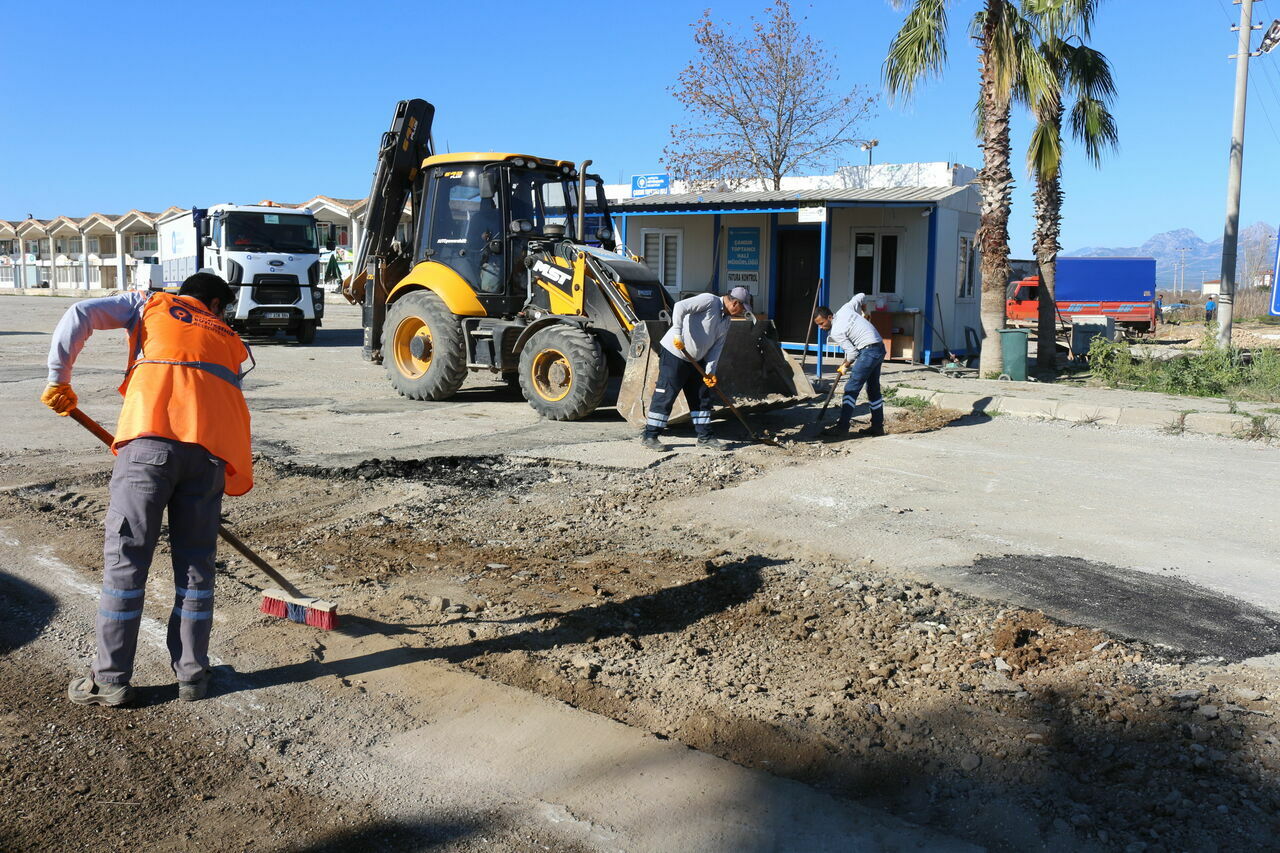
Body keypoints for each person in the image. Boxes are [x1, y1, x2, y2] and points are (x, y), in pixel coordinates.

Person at [42, 272, 254, 707]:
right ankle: (193, 677)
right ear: (214, 303)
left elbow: (80, 313)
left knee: (127, 562)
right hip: (210, 457)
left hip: (150, 446)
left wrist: (58, 378)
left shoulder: (149, 303)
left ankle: (109, 680)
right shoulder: (231, 339)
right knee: (196, 568)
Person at [640, 286, 750, 451]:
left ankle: (705, 437)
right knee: (666, 394)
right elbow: (680, 307)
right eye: (742, 308)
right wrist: (677, 333)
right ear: (735, 303)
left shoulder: (726, 321)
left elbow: (717, 347)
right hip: (674, 353)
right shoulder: (709, 300)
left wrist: (710, 372)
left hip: (696, 360)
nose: (742, 312)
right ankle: (650, 435)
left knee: (701, 397)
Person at [813, 293, 886, 438]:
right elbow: (860, 295)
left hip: (868, 352)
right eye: (818, 325)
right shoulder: (845, 309)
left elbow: (852, 354)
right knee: (873, 389)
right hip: (879, 347)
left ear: (829, 317)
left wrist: (845, 365)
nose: (821, 328)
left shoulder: (836, 331)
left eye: (822, 324)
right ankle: (877, 427)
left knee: (851, 388)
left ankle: (842, 427)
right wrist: (864, 310)